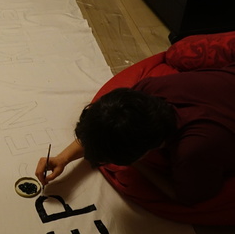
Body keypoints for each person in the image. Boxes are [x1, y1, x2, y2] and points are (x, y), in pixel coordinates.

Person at [35, 65, 235, 207]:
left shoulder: (192, 150)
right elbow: (107, 127)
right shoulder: (148, 91)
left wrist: (136, 163)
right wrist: (63, 158)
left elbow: (185, 196)